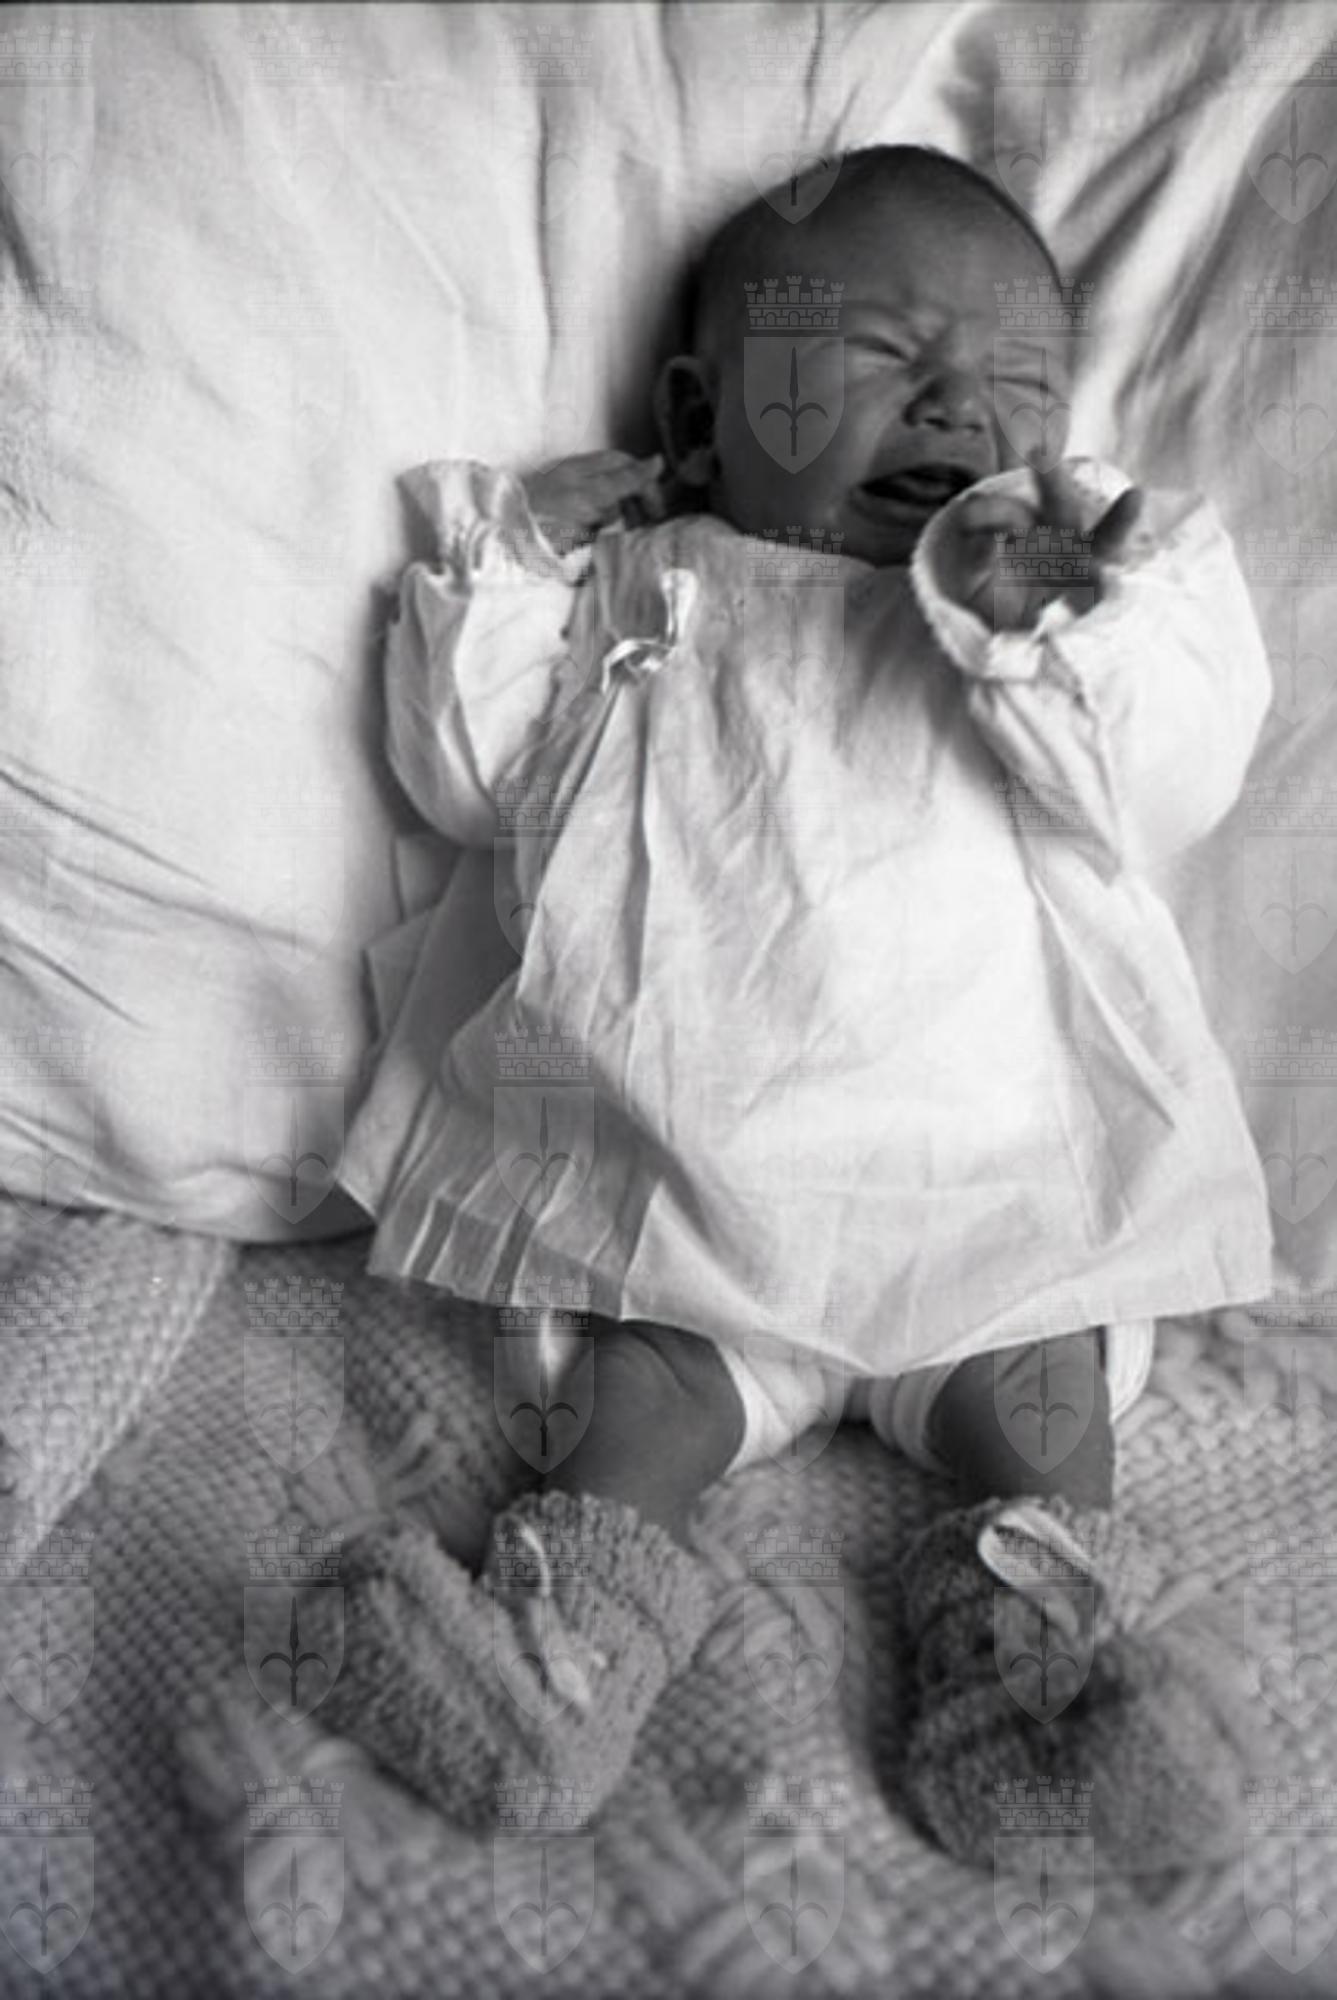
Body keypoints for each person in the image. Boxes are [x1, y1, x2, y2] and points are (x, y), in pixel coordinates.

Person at [327, 145, 1272, 1871]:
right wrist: (510, 566)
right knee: (630, 1408)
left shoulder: (1066, 606)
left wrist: (1070, 628)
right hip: (673, 1205)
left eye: (1014, 383)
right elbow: (467, 781)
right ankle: (547, 1665)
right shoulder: (639, 589)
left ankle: (1051, 1690)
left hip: (998, 1207)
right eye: (881, 351)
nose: (955, 404)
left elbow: (1175, 779)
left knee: (1042, 1413)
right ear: (699, 423)